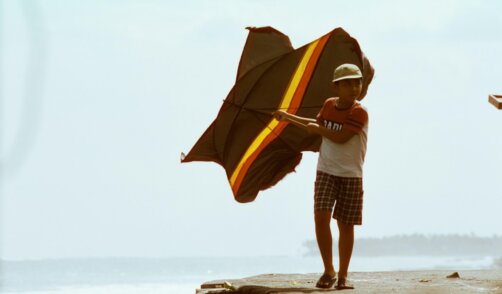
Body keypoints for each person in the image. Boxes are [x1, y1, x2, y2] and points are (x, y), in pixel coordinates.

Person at [274, 63, 368, 290]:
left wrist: (317, 129)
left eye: (357, 82)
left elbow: (341, 137)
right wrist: (287, 117)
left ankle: (343, 276)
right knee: (321, 216)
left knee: (345, 225)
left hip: (351, 175)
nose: (353, 87)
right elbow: (315, 125)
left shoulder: (359, 112)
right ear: (336, 87)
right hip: (326, 170)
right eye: (347, 83)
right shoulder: (328, 105)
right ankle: (329, 270)